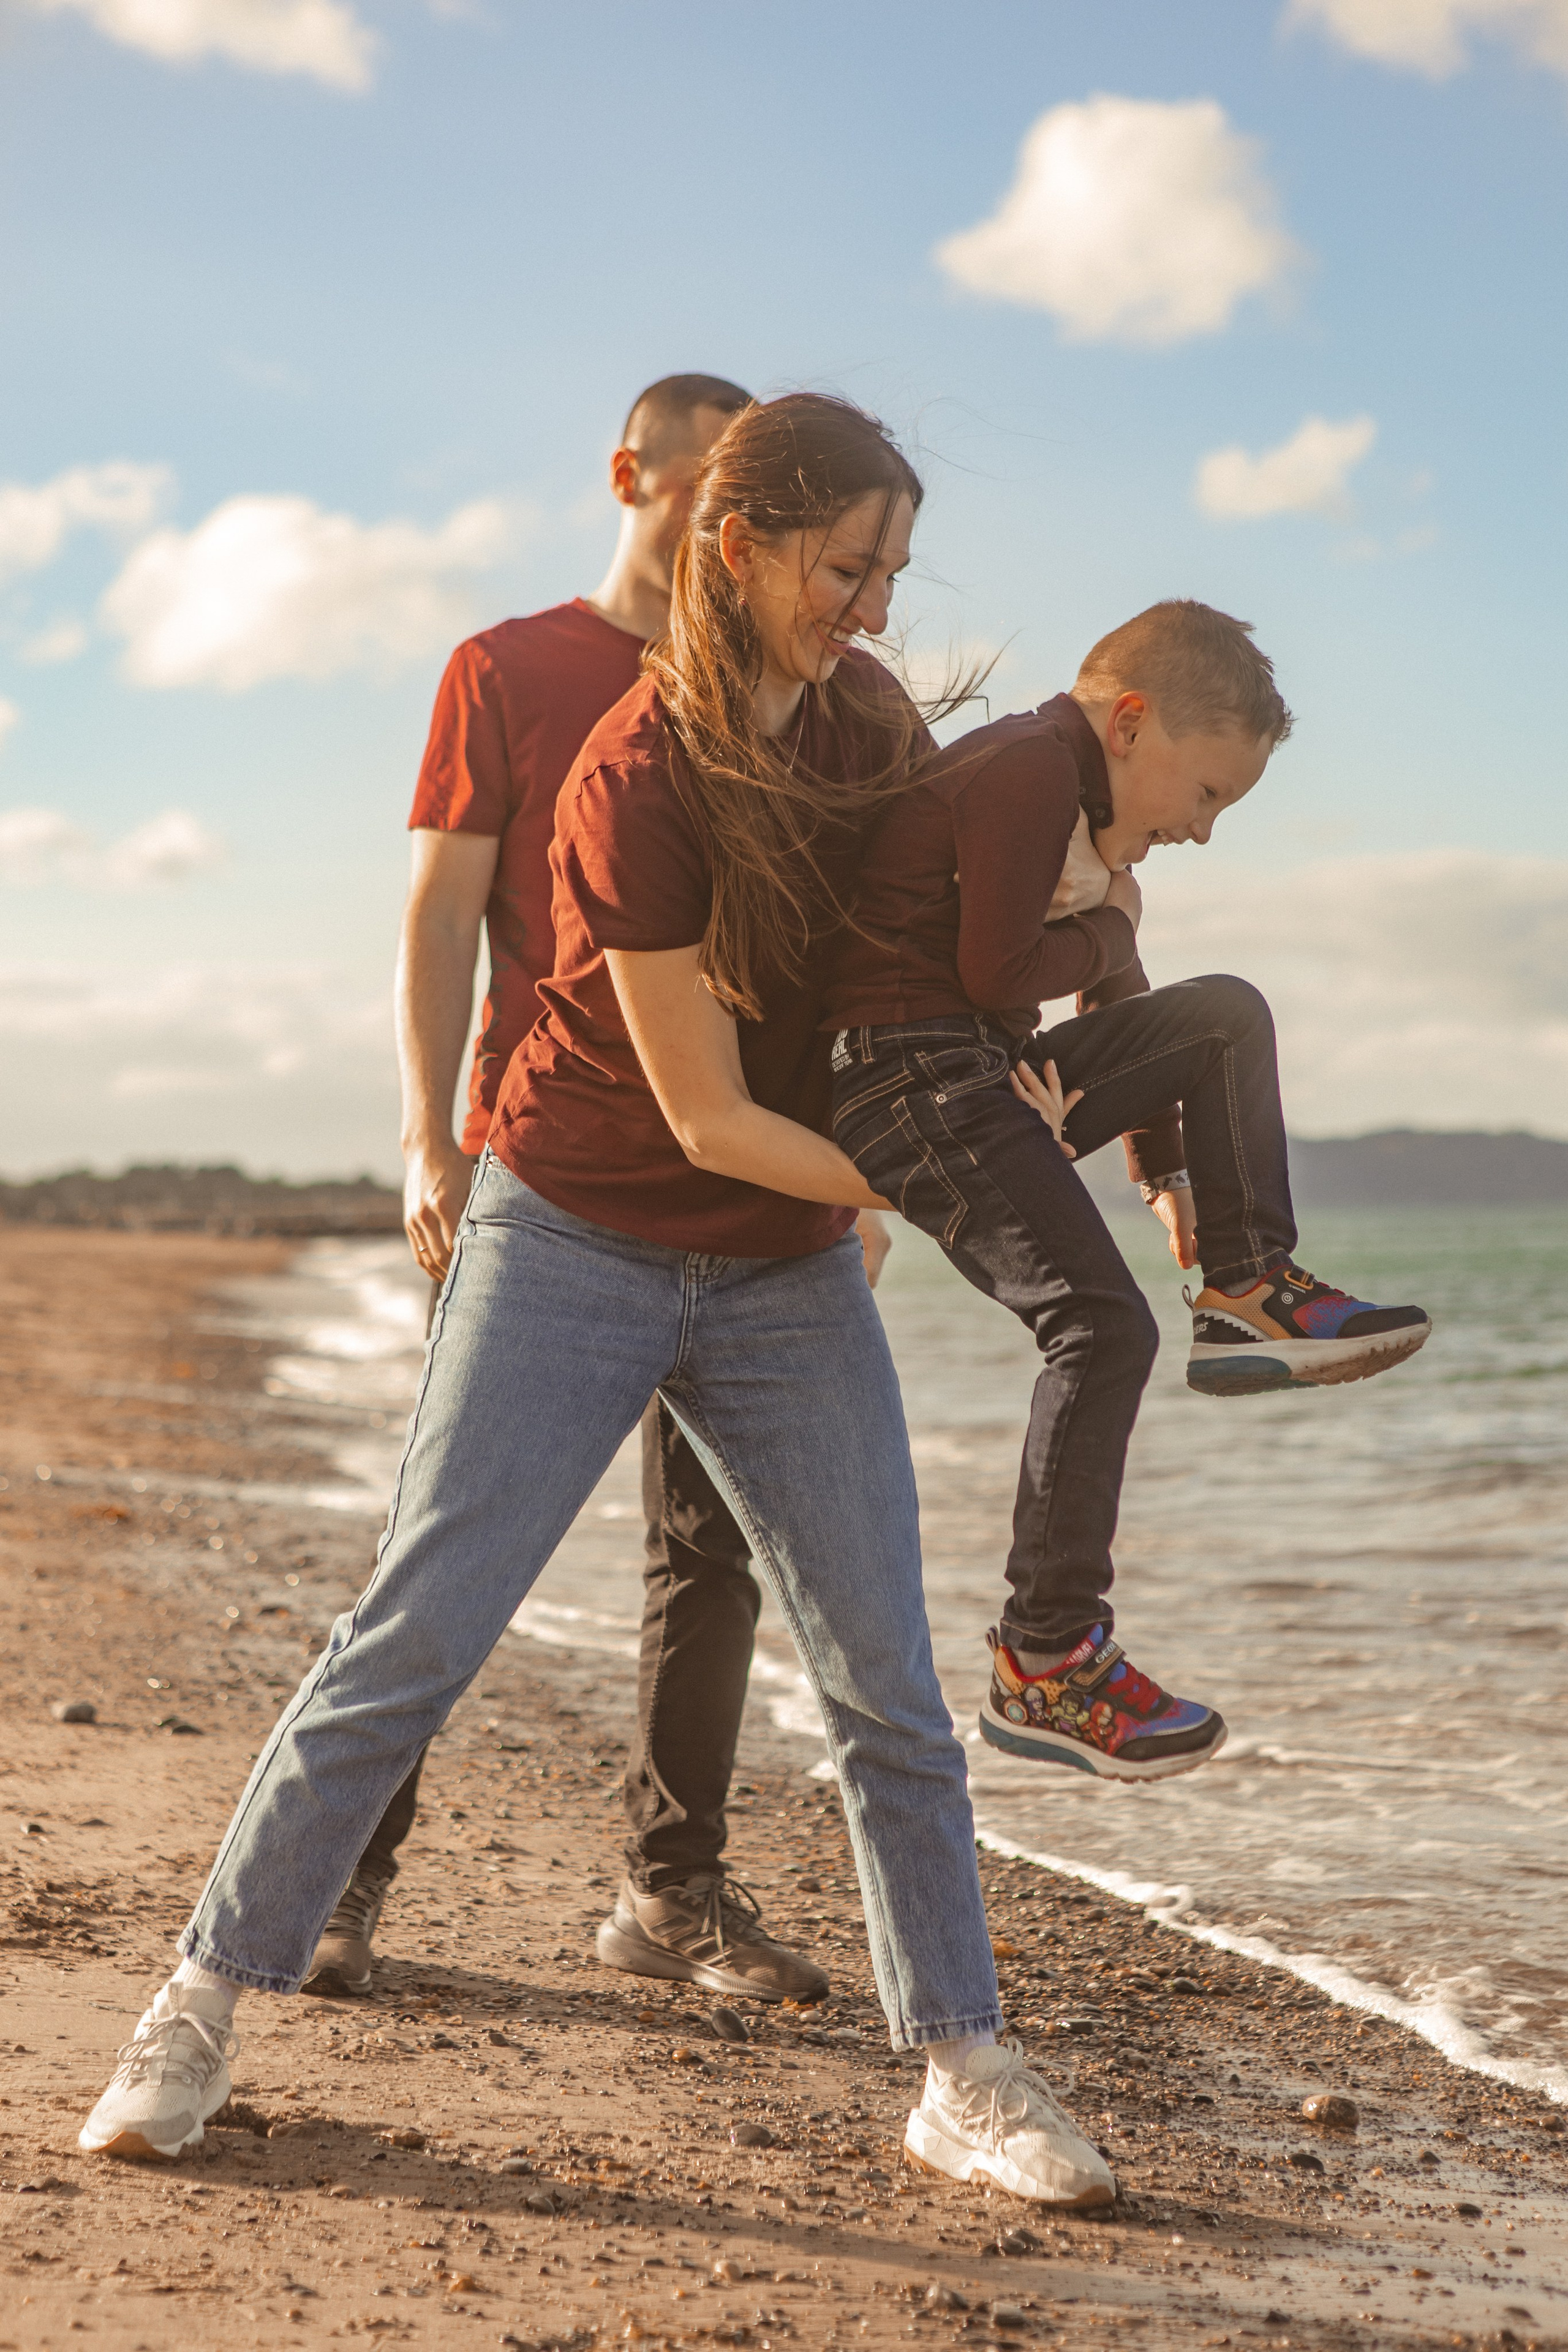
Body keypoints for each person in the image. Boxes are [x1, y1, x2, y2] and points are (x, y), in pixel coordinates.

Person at [78, 393, 1116, 2210]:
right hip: (575, 1229)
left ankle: (964, 2064)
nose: (870, 606)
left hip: (784, 1268)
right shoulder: (630, 772)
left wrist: (1044, 1044)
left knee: (887, 1685)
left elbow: (918, 978)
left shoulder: (873, 724)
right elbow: (709, 1112)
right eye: (840, 566)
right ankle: (197, 2001)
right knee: (412, 1639)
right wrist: (951, 1181)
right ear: (736, 543)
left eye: (889, 571)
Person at [307, 372, 882, 2008]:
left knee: (710, 1549)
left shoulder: (808, 691)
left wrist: (845, 1184)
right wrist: (428, 1136)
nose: (737, 534)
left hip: (747, 1194)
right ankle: (341, 1881)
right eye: (707, 490)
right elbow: (438, 917)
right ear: (637, 476)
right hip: (541, 1174)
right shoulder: (510, 668)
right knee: (446, 1540)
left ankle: (670, 1898)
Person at [826, 599, 1432, 1784]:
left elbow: (1124, 1007)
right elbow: (1001, 969)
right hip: (901, 1078)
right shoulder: (1026, 771)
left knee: (1221, 1016)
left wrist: (1166, 1188)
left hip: (970, 1069)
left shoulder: (1080, 814)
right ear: (1132, 724)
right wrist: (1108, 925)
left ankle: (1245, 1283)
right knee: (1098, 1329)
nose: (1203, 832)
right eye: (1206, 796)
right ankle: (1045, 1662)